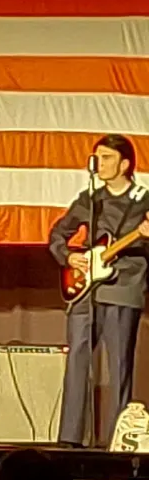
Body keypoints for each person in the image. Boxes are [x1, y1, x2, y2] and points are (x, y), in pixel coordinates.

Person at [49, 134, 149, 448]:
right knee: (77, 360)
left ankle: (115, 442)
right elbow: (58, 233)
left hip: (123, 287)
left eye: (106, 158)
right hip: (86, 290)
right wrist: (69, 255)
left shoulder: (144, 200)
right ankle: (70, 439)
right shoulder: (90, 199)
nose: (99, 164)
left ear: (125, 164)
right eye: (97, 158)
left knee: (119, 366)